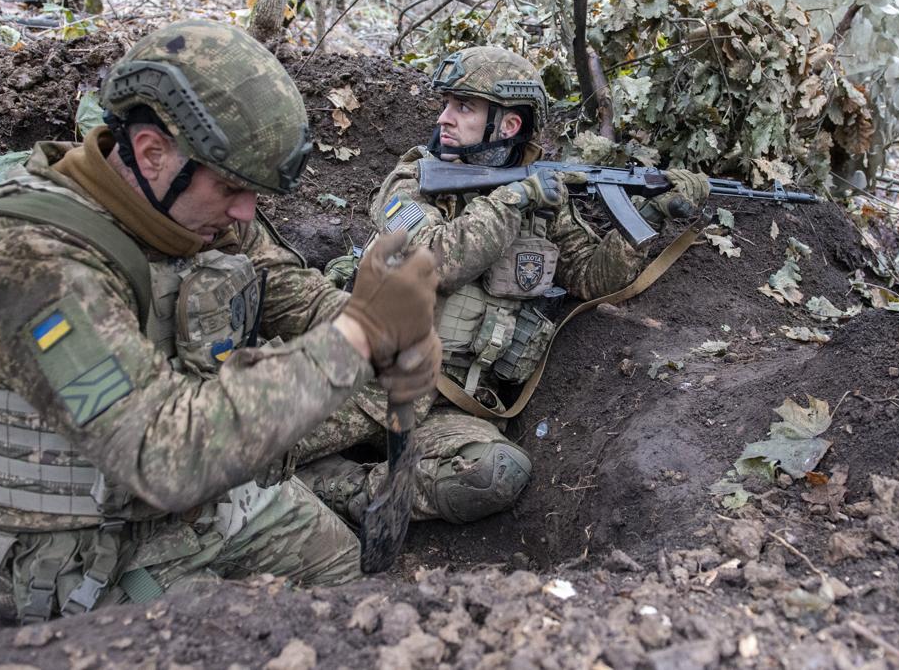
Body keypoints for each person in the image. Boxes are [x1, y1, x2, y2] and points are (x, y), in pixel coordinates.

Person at [0, 20, 440, 624]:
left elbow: (278, 286)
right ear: (151, 152)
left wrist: (369, 322)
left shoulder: (185, 205)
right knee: (232, 635)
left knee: (340, 576)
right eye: (232, 189)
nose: (246, 211)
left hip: (183, 505)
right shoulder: (27, 262)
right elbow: (164, 453)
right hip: (63, 545)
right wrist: (356, 339)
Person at [297, 46, 709, 525]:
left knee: (495, 472)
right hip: (367, 376)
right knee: (254, 442)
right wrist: (510, 202)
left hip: (449, 404)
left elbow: (593, 276)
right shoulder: (413, 178)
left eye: (463, 107)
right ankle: (295, 477)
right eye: (447, 104)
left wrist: (653, 213)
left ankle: (330, 486)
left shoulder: (543, 202)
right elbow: (434, 259)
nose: (444, 118)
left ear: (508, 125)